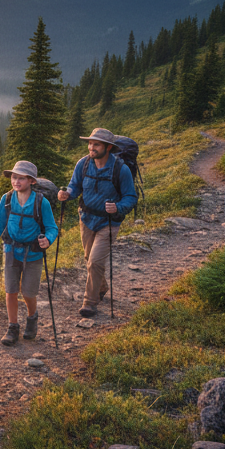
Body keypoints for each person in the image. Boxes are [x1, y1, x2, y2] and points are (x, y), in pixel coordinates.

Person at [56, 128, 137, 318]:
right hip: (86, 218)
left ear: (108, 147)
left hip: (109, 222)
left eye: (96, 144)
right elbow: (75, 186)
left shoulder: (121, 169)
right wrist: (67, 194)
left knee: (94, 261)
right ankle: (101, 287)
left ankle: (90, 303)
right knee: (89, 259)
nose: (91, 147)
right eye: (90, 143)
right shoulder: (83, 164)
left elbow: (131, 197)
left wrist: (118, 207)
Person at [0, 161, 58, 343]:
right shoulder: (6, 199)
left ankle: (32, 318)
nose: (16, 181)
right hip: (11, 250)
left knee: (29, 292)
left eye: (21, 178)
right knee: (11, 290)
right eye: (14, 177)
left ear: (31, 181)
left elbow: (52, 227)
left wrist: (48, 239)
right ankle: (12, 327)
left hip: (33, 253)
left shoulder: (41, 202)